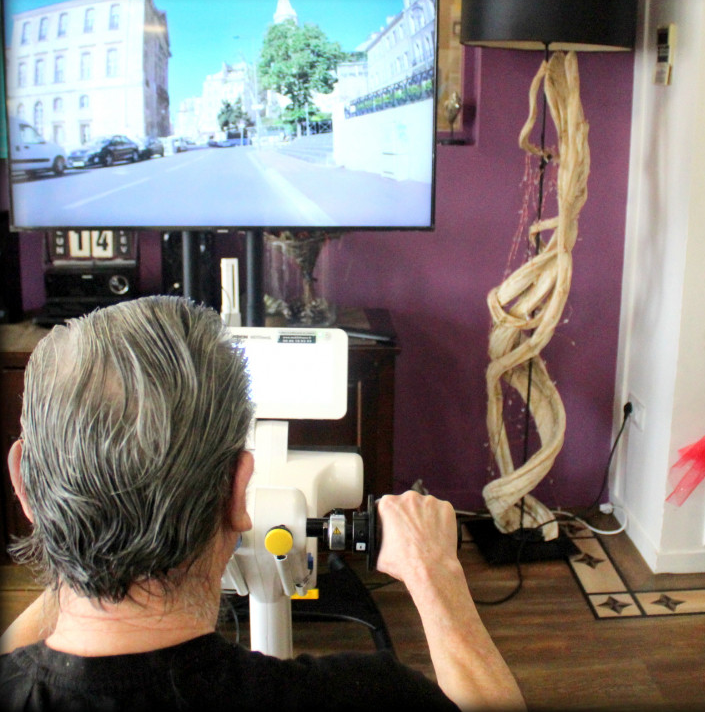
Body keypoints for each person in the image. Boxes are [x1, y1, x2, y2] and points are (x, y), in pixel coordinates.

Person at [0, 296, 525, 712]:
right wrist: (437, 575)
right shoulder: (367, 694)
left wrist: (86, 547)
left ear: (23, 484)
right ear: (237, 491)